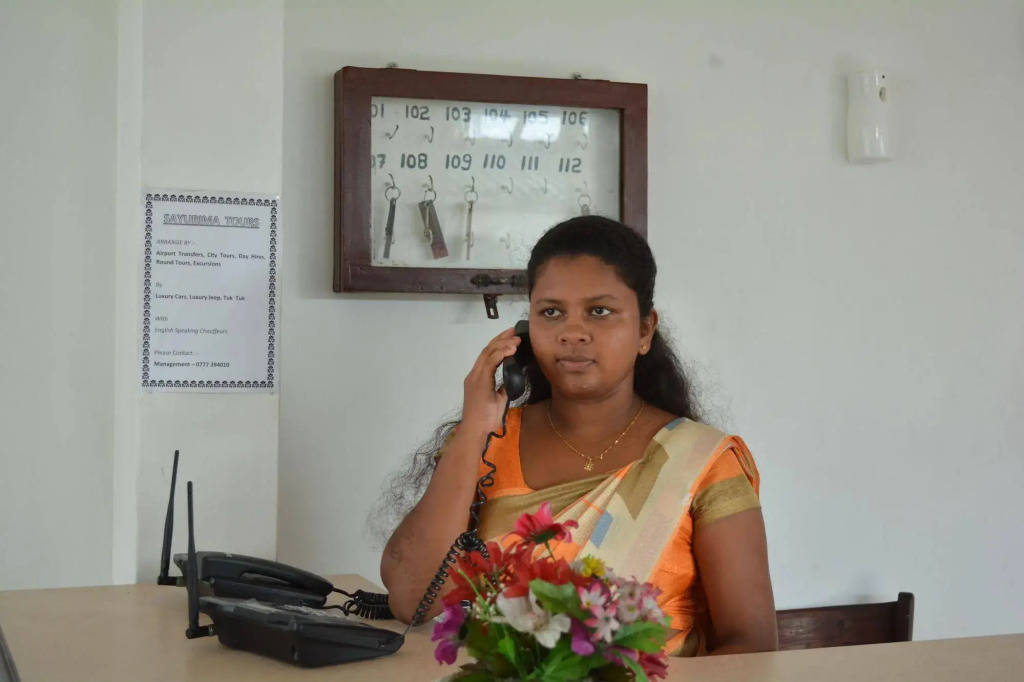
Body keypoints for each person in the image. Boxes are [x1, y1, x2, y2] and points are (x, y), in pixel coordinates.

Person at [379, 216, 778, 656]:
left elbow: (752, 647)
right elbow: (410, 598)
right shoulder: (489, 442)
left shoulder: (701, 461)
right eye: (551, 312)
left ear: (645, 329)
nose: (572, 332)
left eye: (599, 311)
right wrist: (473, 429)